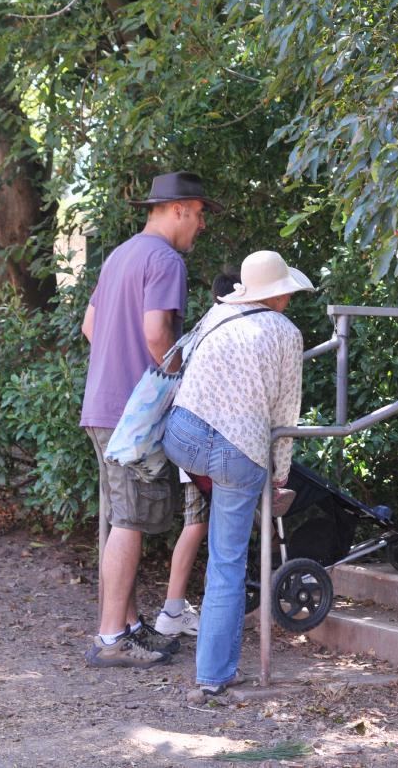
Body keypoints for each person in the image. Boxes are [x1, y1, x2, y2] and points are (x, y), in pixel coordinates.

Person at [80, 170, 222, 668]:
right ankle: (110, 638)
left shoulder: (120, 254)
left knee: (125, 517)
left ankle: (131, 626)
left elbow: (91, 326)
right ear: (179, 208)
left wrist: (119, 368)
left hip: (104, 405)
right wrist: (175, 381)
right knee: (132, 520)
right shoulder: (165, 259)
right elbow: (158, 332)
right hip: (134, 415)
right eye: (201, 213)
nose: (201, 224)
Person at [162, 249, 312, 703]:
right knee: (226, 562)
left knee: (217, 503)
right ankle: (211, 676)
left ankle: (214, 668)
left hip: (183, 438)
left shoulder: (217, 314)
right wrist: (279, 479)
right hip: (237, 454)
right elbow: (286, 416)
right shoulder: (286, 333)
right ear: (280, 293)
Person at [153, 267, 239, 639]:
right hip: (212, 441)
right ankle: (177, 608)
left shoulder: (200, 330)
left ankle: (176, 607)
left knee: (198, 524)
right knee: (203, 525)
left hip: (190, 440)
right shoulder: (228, 331)